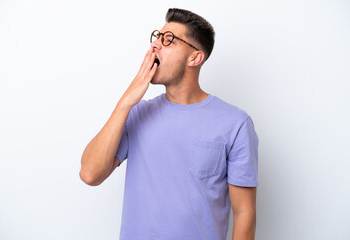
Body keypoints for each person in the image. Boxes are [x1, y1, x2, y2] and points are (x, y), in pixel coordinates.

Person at [80, 8, 259, 240]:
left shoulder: (236, 124)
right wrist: (125, 102)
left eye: (168, 40)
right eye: (156, 38)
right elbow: (90, 174)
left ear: (195, 57)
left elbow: (244, 212)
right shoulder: (137, 113)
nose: (155, 46)